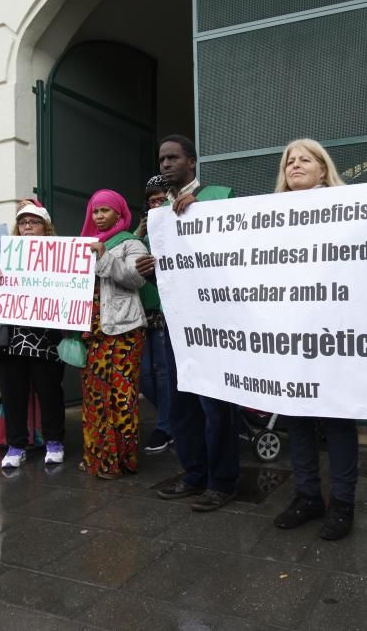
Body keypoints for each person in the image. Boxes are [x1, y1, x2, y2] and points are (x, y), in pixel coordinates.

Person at [140, 135, 242, 512]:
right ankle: (194, 473)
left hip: (215, 324)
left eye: (173, 157)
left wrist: (204, 215)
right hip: (176, 322)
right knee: (181, 404)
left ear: (192, 163)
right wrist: (152, 270)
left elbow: (238, 247)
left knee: (215, 406)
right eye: (161, 158)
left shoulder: (218, 198)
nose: (165, 164)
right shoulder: (160, 214)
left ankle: (223, 480)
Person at [268, 139, 358, 540]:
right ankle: (307, 496)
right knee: (297, 417)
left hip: (333, 330)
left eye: (306, 159)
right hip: (289, 332)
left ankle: (342, 503)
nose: (296, 165)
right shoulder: (266, 215)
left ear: (324, 169)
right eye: (290, 160)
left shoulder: (350, 207)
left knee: (337, 419)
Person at [0, 201, 67, 469]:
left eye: (34, 222)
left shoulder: (60, 253)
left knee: (49, 390)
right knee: (12, 392)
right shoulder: (3, 254)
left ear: (45, 227)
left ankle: (54, 442)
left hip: (45, 335)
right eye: (23, 222)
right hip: (11, 336)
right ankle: (16, 445)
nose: (28, 226)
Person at [78, 189, 147, 480]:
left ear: (119, 213)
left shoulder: (131, 243)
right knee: (95, 399)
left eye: (105, 211)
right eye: (95, 211)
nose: (99, 216)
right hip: (94, 331)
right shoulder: (82, 244)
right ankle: (98, 459)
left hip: (124, 330)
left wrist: (105, 256)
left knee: (121, 397)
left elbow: (136, 279)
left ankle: (122, 461)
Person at [135, 175, 174, 453]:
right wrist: (140, 230)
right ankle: (175, 417)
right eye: (152, 201)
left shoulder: (177, 226)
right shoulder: (143, 234)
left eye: (162, 198)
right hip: (143, 310)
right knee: (145, 375)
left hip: (165, 310)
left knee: (162, 372)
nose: (157, 203)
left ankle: (165, 426)